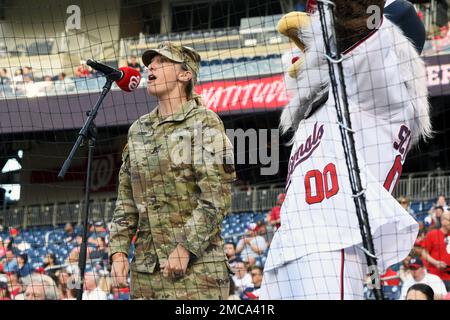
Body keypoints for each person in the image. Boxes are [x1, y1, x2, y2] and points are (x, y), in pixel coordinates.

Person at [262, 0, 430, 300]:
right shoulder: (336, 98)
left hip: (333, 240)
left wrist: (329, 21)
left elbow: (362, 27)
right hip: (291, 245)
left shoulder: (386, 89)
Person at [109, 41, 236, 300]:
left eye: (162, 62)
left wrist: (185, 248)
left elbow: (216, 197)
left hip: (198, 272)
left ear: (185, 74)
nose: (151, 67)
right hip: (146, 274)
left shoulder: (204, 122)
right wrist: (119, 250)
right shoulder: (138, 130)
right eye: (149, 64)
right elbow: (126, 199)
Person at [421, 211, 450, 291]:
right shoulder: (432, 234)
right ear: (443, 221)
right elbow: (424, 253)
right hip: (436, 277)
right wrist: (436, 262)